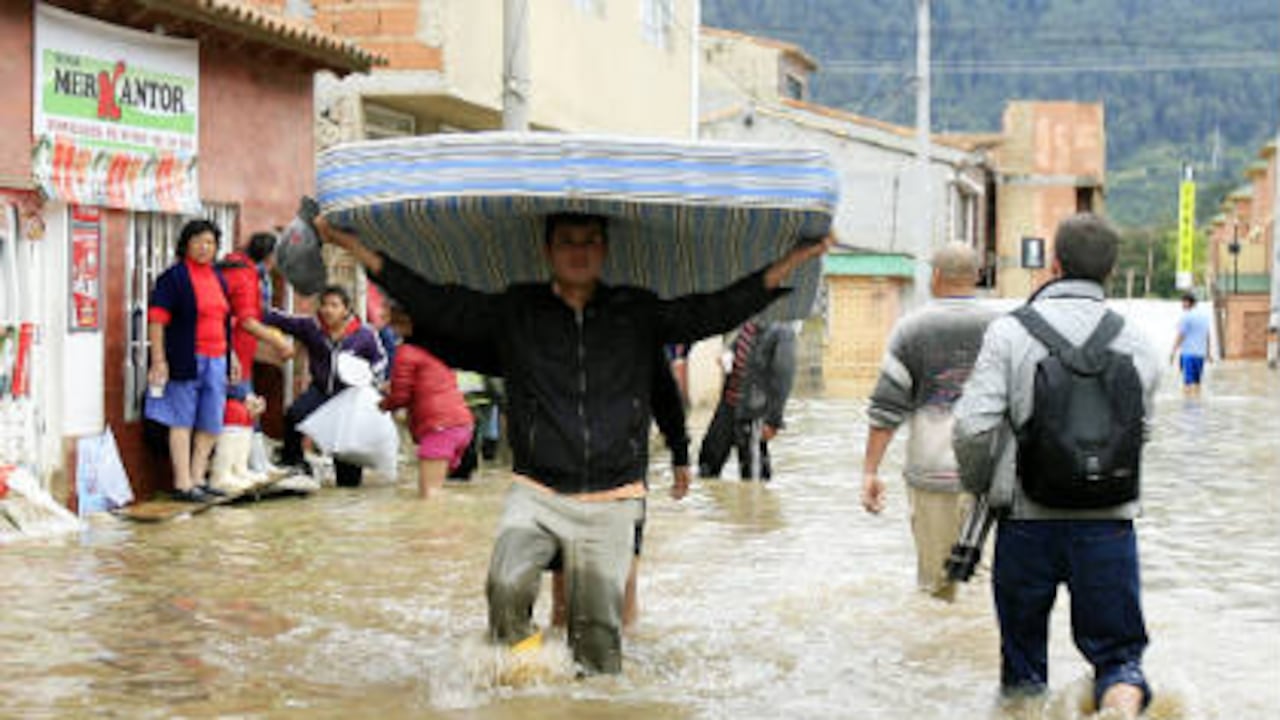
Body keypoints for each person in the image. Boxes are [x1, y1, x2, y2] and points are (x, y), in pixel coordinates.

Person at [315, 212, 830, 675]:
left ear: (604, 251)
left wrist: (792, 261)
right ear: (549, 251)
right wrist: (354, 249)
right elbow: (438, 300)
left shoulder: (636, 313)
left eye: (589, 241)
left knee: (598, 639)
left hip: (613, 497)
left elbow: (713, 310)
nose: (578, 250)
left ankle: (589, 698)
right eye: (567, 241)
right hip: (536, 490)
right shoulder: (518, 312)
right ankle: (529, 678)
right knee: (507, 585)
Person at [953, 214, 1161, 718]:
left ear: (1054, 263)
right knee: (1118, 659)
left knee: (1023, 670)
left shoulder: (1008, 332)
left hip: (1026, 523)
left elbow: (971, 429)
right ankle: (1121, 706)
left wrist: (987, 487)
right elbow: (1141, 432)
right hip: (1109, 523)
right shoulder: (1138, 339)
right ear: (1110, 272)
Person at [860, 243, 996, 602]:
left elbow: (886, 407)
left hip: (932, 474)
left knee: (937, 587)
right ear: (977, 277)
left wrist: (870, 471)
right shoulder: (1004, 328)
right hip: (989, 480)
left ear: (935, 276)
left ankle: (938, 657)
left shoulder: (910, 329)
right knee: (983, 590)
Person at [551, 344, 692, 631]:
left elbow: (665, 395)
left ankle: (605, 648)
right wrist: (680, 455)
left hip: (610, 465)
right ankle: (598, 649)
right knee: (572, 573)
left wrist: (680, 454)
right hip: (575, 462)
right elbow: (666, 395)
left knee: (606, 572)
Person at [144, 219, 236, 503]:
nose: (204, 247)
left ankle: (198, 478)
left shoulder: (218, 277)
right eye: (198, 241)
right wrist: (159, 360)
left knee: (210, 423)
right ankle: (183, 483)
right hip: (186, 357)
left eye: (210, 242)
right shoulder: (173, 278)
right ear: (186, 244)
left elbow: (224, 321)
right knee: (181, 420)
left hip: (217, 358)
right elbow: (157, 320)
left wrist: (231, 357)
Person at [264, 285, 386, 487]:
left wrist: (371, 376)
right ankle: (294, 462)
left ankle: (348, 490)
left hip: (348, 398)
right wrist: (250, 306)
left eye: (334, 305)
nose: (327, 310)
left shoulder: (365, 334)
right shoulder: (311, 327)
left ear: (346, 309)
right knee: (294, 415)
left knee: (347, 464)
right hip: (321, 391)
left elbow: (380, 360)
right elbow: (279, 319)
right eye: (324, 305)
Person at [378, 303, 474, 498]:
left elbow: (401, 396)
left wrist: (385, 404)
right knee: (436, 493)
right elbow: (428, 385)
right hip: (461, 425)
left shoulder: (406, 352)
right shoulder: (438, 350)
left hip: (439, 428)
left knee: (429, 497)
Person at [697, 319, 796, 481]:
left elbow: (783, 379)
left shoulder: (782, 332)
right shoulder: (749, 324)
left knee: (753, 479)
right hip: (728, 406)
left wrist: (773, 420)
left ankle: (759, 505)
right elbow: (739, 349)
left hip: (754, 413)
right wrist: (727, 356)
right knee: (707, 465)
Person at [219, 231, 293, 395]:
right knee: (242, 409)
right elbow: (247, 320)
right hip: (234, 352)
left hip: (227, 349)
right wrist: (278, 341)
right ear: (270, 255)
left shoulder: (232, 267)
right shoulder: (246, 276)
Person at [1168, 292, 1211, 396]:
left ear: (1187, 303)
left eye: (1183, 302)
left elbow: (1181, 335)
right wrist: (1208, 353)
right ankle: (1197, 406)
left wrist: (1173, 352)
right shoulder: (1204, 317)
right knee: (1197, 383)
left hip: (1188, 354)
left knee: (1187, 384)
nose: (1182, 305)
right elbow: (1208, 335)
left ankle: (1188, 407)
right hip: (1200, 355)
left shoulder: (1186, 317)